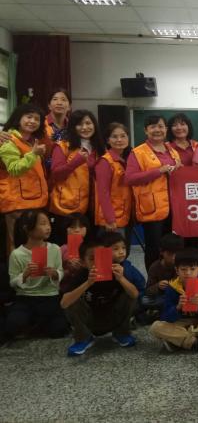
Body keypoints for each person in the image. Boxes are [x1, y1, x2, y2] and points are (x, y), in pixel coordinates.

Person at [60, 239, 139, 356]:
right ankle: (84, 338)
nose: (97, 262)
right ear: (83, 262)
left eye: (102, 257)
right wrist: (88, 283)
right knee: (72, 299)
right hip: (90, 320)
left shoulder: (116, 271)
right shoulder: (81, 275)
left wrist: (121, 279)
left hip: (113, 317)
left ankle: (122, 333)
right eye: (92, 259)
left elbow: (135, 295)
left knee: (128, 293)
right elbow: (64, 303)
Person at [125, 115, 181, 270]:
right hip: (152, 208)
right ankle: (153, 280)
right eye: (153, 127)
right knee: (154, 248)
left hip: (173, 208)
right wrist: (158, 171)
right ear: (146, 130)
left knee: (172, 248)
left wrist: (179, 170)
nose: (157, 130)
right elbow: (129, 178)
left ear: (166, 129)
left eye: (161, 126)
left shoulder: (172, 151)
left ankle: (171, 278)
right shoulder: (138, 152)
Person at [6, 210, 68, 340]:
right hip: (25, 297)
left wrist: (54, 273)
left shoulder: (55, 249)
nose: (48, 227)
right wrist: (25, 274)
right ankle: (34, 322)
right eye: (43, 224)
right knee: (13, 325)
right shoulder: (17, 254)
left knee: (59, 330)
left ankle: (37, 324)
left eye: (48, 223)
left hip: (50, 296)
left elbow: (60, 272)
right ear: (27, 229)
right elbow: (12, 282)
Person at [49, 110, 104, 245]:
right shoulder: (62, 146)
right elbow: (56, 174)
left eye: (88, 123)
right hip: (68, 208)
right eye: (79, 124)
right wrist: (75, 162)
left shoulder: (100, 148)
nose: (85, 127)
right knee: (69, 249)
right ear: (72, 127)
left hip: (93, 208)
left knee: (89, 248)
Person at [0, 104, 49, 255]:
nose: (33, 121)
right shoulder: (8, 140)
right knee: (17, 246)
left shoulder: (32, 141)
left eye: (37, 119)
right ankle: (16, 272)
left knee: (34, 245)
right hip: (17, 204)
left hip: (34, 202)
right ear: (18, 118)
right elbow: (14, 168)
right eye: (29, 117)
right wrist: (33, 154)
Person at [149, 248, 198, 352]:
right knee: (155, 327)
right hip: (182, 322)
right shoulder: (172, 287)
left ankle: (180, 340)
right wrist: (177, 308)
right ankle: (196, 342)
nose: (188, 273)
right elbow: (165, 317)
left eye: (192, 269)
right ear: (177, 270)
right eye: (183, 269)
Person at [95, 123, 132, 235]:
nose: (119, 140)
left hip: (125, 216)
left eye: (123, 136)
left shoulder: (128, 159)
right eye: (114, 137)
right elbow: (103, 193)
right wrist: (110, 219)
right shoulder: (105, 162)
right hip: (112, 220)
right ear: (108, 140)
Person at [143, 233, 184, 313]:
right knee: (144, 300)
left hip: (179, 297)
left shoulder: (182, 265)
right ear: (161, 252)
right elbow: (148, 291)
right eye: (170, 254)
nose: (174, 257)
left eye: (177, 254)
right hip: (162, 297)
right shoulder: (155, 267)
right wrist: (158, 286)